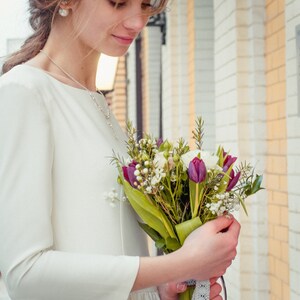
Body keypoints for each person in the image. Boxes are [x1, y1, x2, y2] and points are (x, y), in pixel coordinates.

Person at [0, 0, 241, 299]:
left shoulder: (96, 102)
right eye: (118, 3)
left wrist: (161, 290)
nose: (137, 21)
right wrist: (182, 262)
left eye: (143, 4)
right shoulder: (23, 92)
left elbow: (113, 246)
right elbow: (25, 273)